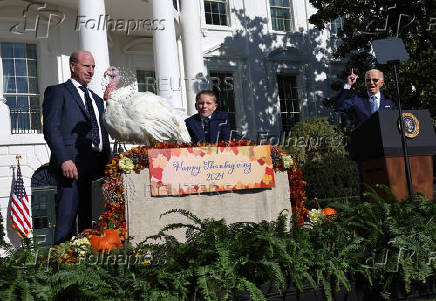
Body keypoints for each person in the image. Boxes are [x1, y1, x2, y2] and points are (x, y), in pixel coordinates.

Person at [43, 50, 112, 244]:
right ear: (73, 66)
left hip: (96, 169)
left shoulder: (97, 100)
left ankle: (86, 265)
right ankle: (60, 265)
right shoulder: (58, 92)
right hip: (70, 168)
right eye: (86, 66)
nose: (91, 71)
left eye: (93, 67)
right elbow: (51, 128)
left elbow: (102, 132)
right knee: (66, 220)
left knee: (91, 222)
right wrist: (64, 158)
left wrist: (110, 164)